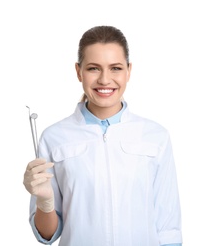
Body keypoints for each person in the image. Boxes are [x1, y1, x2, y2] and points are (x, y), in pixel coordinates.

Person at [23, 25, 182, 246]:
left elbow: (168, 228)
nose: (105, 80)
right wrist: (44, 201)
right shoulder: (54, 138)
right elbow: (47, 235)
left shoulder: (155, 137)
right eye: (93, 68)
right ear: (79, 71)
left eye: (115, 68)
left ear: (129, 70)